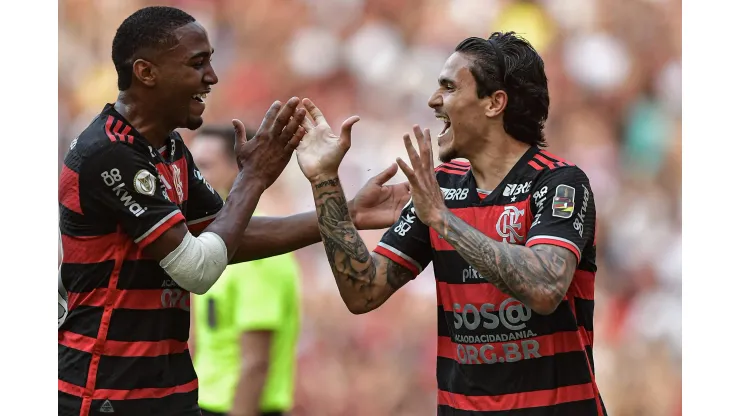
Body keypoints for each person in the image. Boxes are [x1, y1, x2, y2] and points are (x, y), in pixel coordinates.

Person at [57, 6, 409, 416]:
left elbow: (225, 236)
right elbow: (198, 269)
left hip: (170, 393)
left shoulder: (167, 148)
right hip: (105, 395)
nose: (212, 77)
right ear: (146, 72)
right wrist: (252, 178)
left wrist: (343, 215)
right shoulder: (109, 154)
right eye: (197, 63)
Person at [295, 32, 607, 415]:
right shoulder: (442, 186)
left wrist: (443, 221)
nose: (433, 100)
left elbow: (544, 288)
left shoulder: (560, 183)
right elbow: (362, 292)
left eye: (448, 87)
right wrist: (325, 180)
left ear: (495, 103)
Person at [188, 125, 301, 416]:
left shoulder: (258, 251)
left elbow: (255, 363)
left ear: (239, 172)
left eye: (204, 166)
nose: (192, 178)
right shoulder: (213, 241)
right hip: (206, 402)